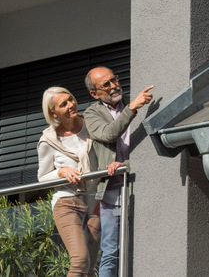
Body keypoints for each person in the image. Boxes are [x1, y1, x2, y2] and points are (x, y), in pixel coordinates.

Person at [83, 66, 153, 277]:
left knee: (143, 242)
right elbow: (108, 134)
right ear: (94, 93)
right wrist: (132, 108)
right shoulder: (92, 113)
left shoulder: (133, 101)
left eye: (114, 80)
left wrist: (126, 162)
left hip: (139, 183)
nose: (114, 86)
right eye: (106, 84)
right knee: (111, 250)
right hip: (112, 190)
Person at [37, 87, 100, 277]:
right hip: (67, 202)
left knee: (90, 266)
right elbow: (42, 178)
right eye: (63, 104)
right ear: (53, 112)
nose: (71, 105)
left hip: (95, 201)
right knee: (80, 260)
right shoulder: (49, 141)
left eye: (70, 99)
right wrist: (61, 172)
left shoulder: (91, 125)